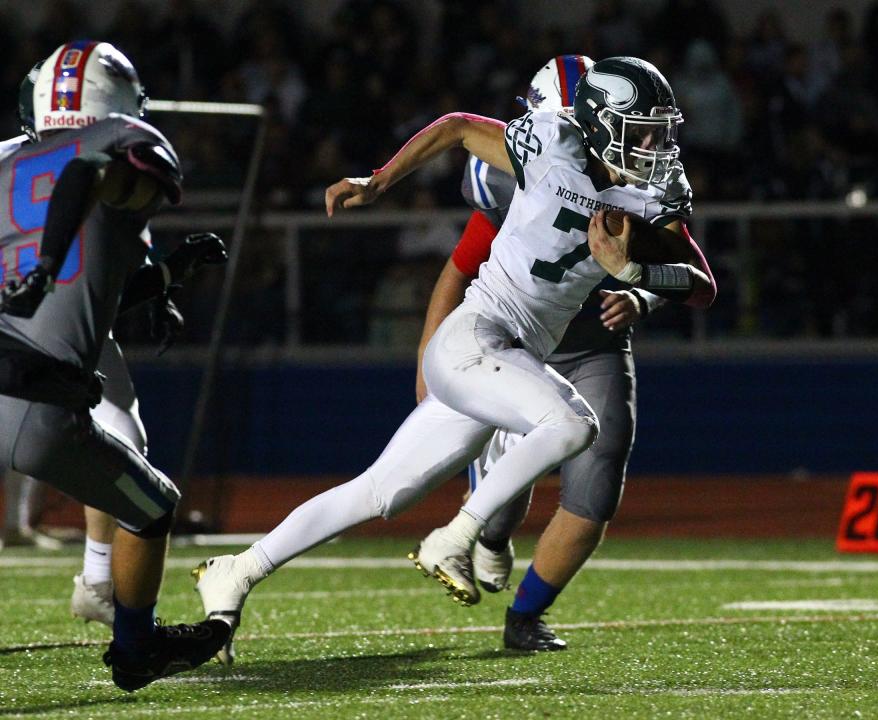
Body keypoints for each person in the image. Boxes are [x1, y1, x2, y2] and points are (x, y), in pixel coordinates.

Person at [193, 56, 715, 662]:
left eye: (659, 130)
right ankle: (460, 536)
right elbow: (458, 126)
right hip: (476, 337)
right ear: (597, 124)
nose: (654, 146)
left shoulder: (651, 194)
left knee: (379, 494)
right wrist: (380, 180)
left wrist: (634, 273)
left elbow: (701, 282)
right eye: (638, 130)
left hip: (512, 353)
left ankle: (236, 571)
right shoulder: (550, 144)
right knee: (572, 424)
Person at [414, 55, 679, 651]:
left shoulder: (638, 181)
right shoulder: (522, 174)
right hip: (519, 345)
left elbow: (688, 275)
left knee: (597, 480)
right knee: (503, 509)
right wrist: (427, 358)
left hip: (592, 347)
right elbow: (458, 270)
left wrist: (641, 296)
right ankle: (484, 532)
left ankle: (526, 615)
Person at [0, 41, 230, 691]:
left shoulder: (8, 164)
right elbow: (85, 177)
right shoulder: (123, 142)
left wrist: (165, 278)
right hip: (34, 398)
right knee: (151, 504)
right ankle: (134, 648)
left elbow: (92, 284)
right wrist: (46, 269)